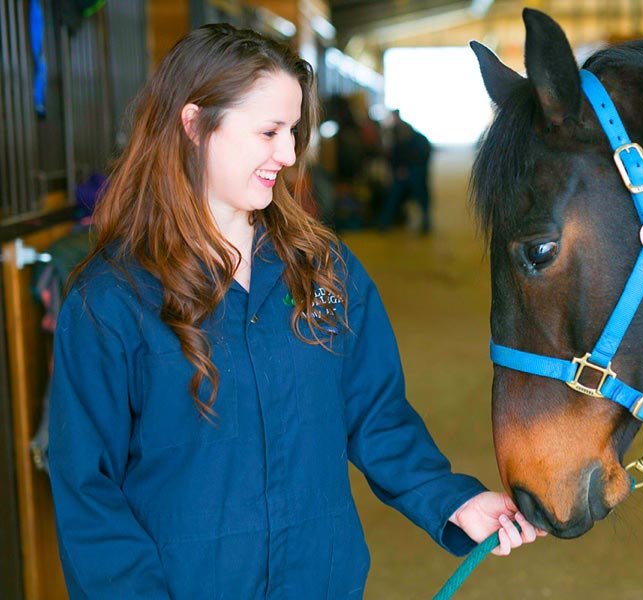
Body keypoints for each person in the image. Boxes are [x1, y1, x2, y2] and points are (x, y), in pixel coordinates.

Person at [47, 24, 543, 599]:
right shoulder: (111, 300)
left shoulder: (324, 269)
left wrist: (451, 499)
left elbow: (375, 413)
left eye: (292, 132)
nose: (287, 154)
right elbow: (89, 490)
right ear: (193, 125)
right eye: (269, 132)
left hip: (320, 582)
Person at [377, 109, 433, 233]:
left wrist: (405, 169)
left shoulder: (416, 139)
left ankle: (425, 222)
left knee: (419, 194)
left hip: (414, 172)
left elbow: (421, 156)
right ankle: (383, 222)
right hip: (404, 172)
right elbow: (393, 156)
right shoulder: (396, 135)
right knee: (394, 195)